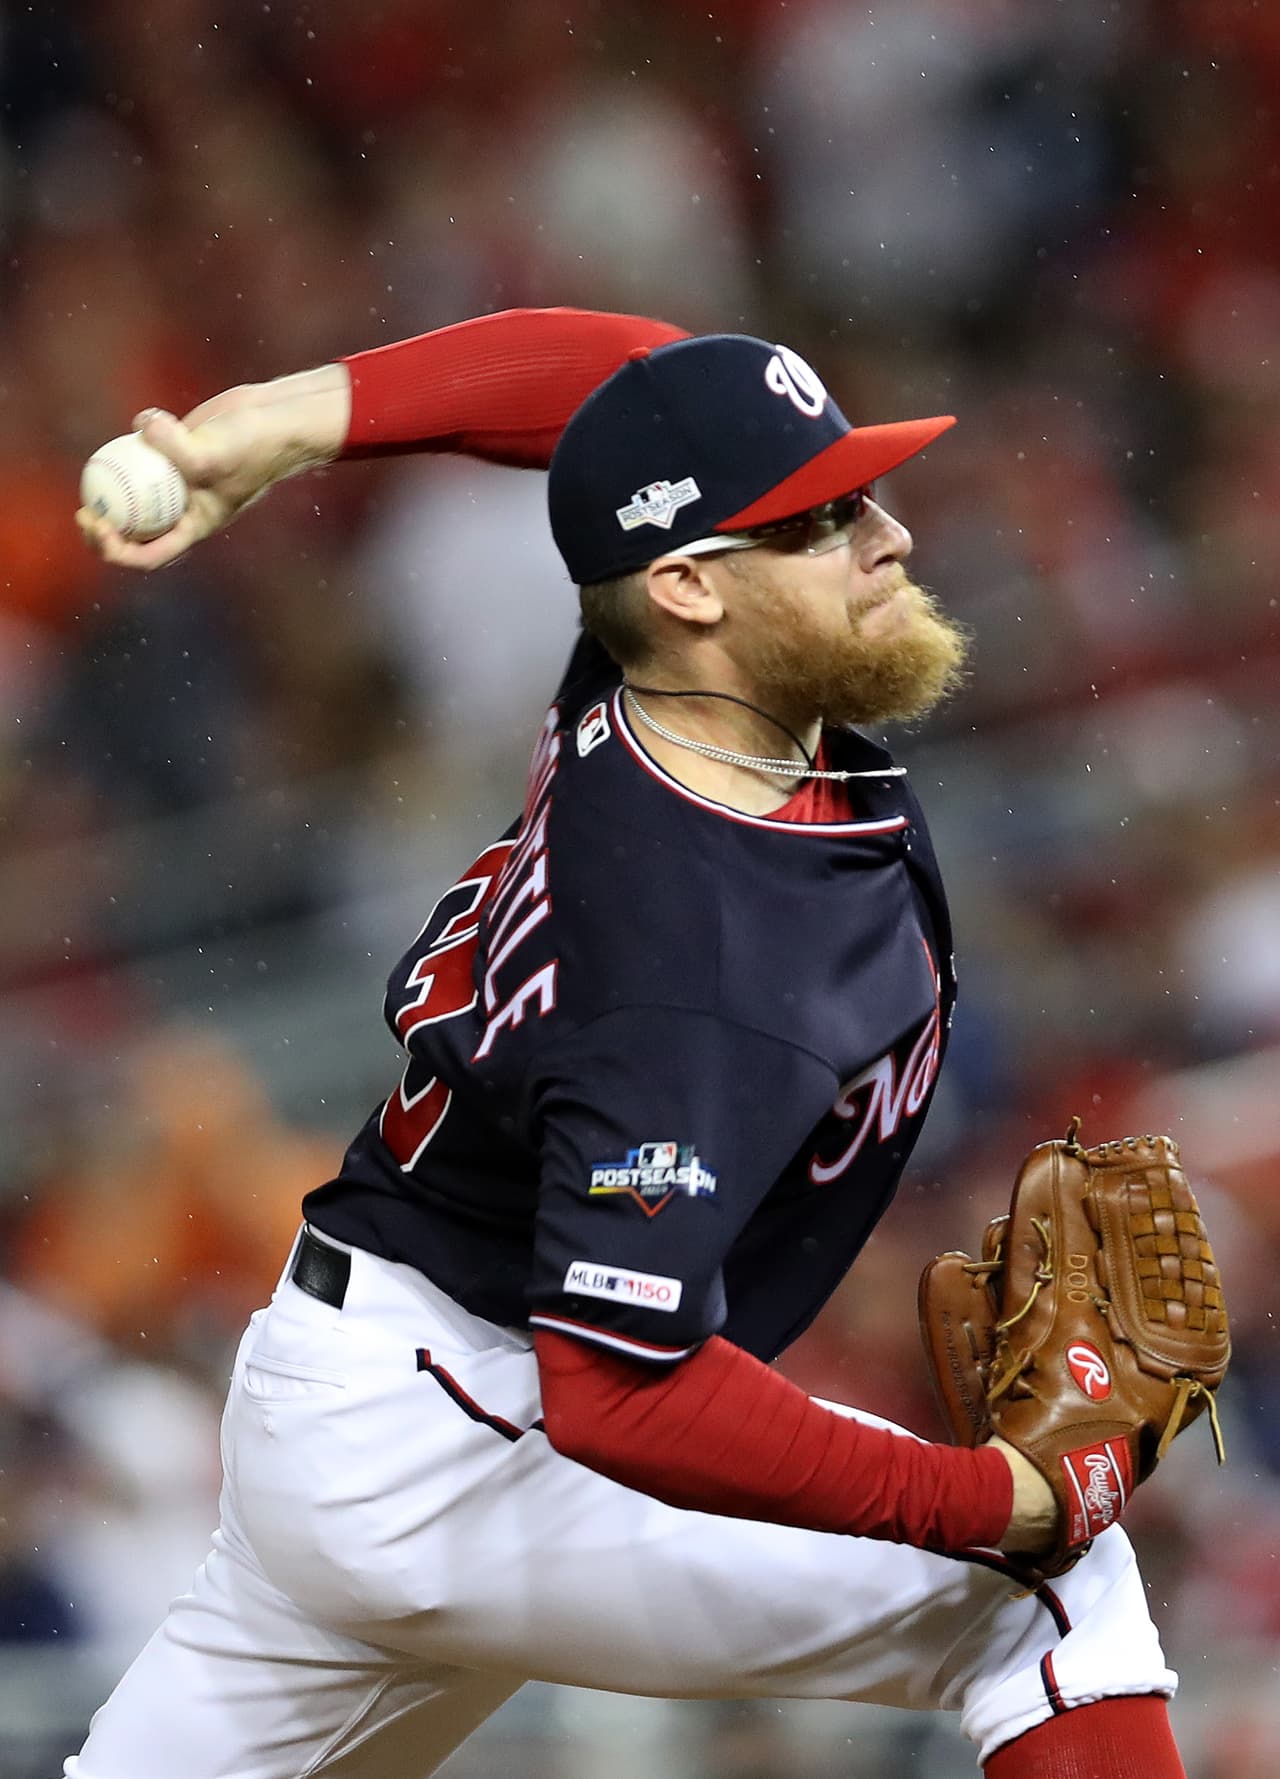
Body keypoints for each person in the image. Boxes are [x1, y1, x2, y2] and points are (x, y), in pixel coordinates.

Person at [71, 307, 1188, 1779]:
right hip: (481, 1436)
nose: (893, 537)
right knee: (1055, 1600)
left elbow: (630, 400)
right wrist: (987, 1504)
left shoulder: (652, 675)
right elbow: (622, 1387)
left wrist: (281, 421)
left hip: (363, 1380)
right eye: (826, 520)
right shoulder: (701, 957)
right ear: (690, 587)